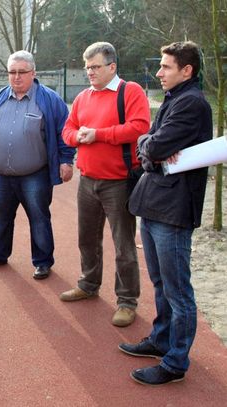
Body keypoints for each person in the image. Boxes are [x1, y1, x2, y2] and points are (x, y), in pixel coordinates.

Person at [119, 41, 212, 386]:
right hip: (156, 203)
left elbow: (153, 145)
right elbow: (151, 145)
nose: (159, 72)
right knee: (161, 283)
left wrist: (150, 146)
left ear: (186, 70)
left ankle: (175, 362)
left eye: (166, 67)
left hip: (173, 210)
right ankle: (161, 339)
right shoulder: (176, 99)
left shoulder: (191, 104)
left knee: (177, 291)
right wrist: (151, 146)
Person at [59, 42, 151, 327]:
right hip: (88, 180)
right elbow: (67, 130)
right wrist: (78, 137)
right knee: (87, 238)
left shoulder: (130, 91)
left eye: (95, 67)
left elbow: (140, 127)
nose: (90, 72)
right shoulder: (84, 97)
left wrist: (98, 134)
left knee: (123, 245)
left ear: (112, 66)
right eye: (87, 67)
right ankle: (88, 284)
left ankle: (126, 300)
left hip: (119, 182)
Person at [0, 50, 75, 280]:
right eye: (12, 72)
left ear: (33, 73)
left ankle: (43, 261)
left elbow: (63, 132)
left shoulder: (50, 100)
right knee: (0, 216)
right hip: (1, 175)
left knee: (38, 217)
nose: (16, 77)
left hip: (34, 174)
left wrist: (66, 160)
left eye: (22, 72)